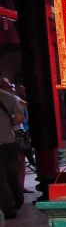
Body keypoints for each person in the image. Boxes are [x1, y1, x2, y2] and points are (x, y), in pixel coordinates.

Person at [0, 78, 24, 219]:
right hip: (9, 142)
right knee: (12, 174)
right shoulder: (9, 97)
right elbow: (20, 118)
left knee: (1, 179)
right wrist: (9, 122)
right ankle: (18, 199)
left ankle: (8, 208)